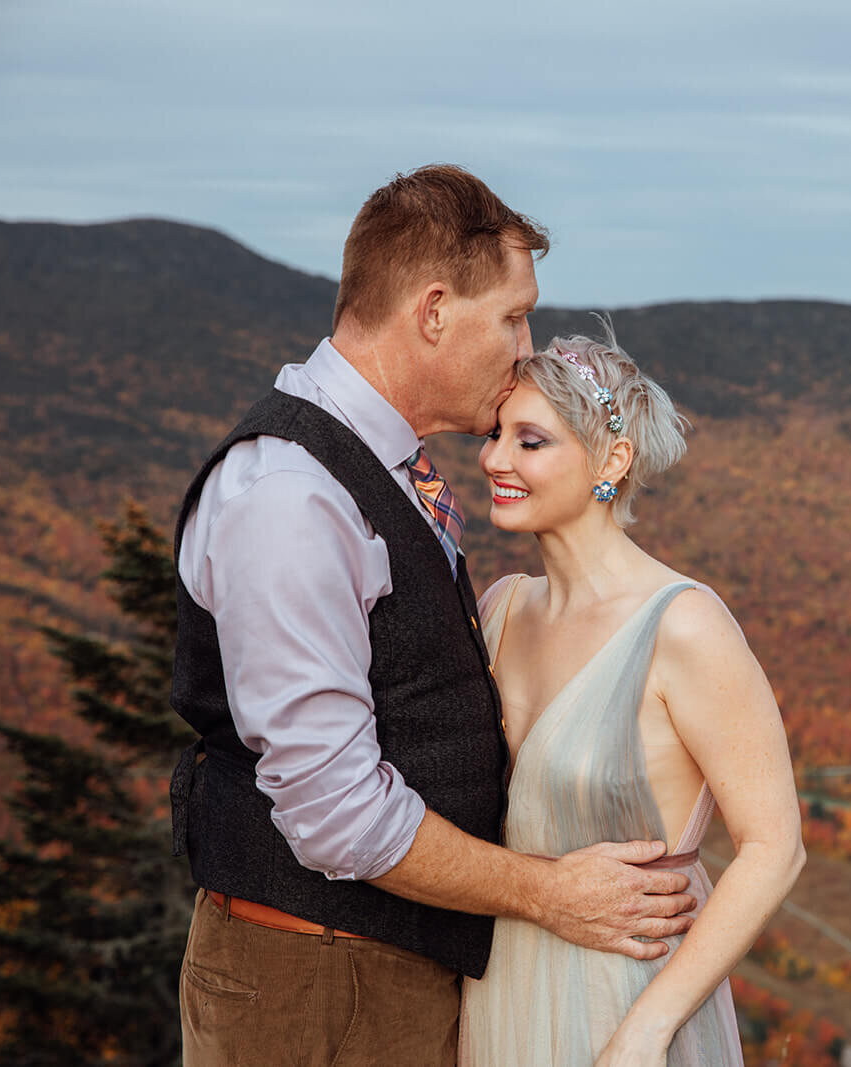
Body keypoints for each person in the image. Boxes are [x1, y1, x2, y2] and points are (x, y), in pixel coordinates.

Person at [169, 166, 699, 1065]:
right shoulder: (292, 497)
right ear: (434, 311)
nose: (525, 348)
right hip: (314, 985)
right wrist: (548, 893)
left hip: (378, 969)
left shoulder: (383, 469)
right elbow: (335, 811)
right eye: (513, 316)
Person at [463, 329, 806, 1066]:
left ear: (611, 461)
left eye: (531, 441)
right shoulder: (500, 610)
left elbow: (775, 846)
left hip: (624, 999)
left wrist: (649, 1029)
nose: (494, 458)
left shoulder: (684, 625)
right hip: (499, 990)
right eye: (496, 435)